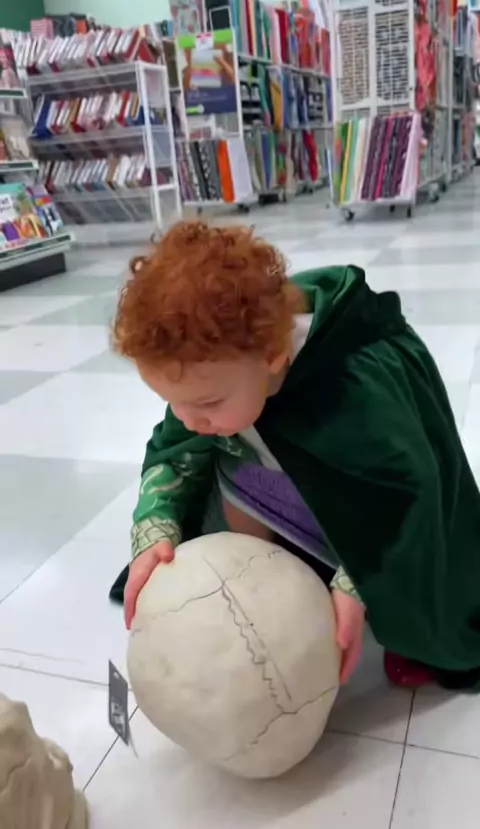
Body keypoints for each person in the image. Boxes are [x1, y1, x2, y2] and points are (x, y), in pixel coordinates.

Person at [111, 220, 480, 690]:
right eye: (171, 401)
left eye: (206, 403)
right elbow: (175, 451)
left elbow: (406, 493)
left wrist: (358, 585)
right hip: (277, 476)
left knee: (413, 593)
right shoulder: (212, 375)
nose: (187, 419)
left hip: (375, 499)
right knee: (223, 459)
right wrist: (155, 529)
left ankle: (396, 614)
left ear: (273, 355)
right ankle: (262, 569)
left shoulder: (354, 386)